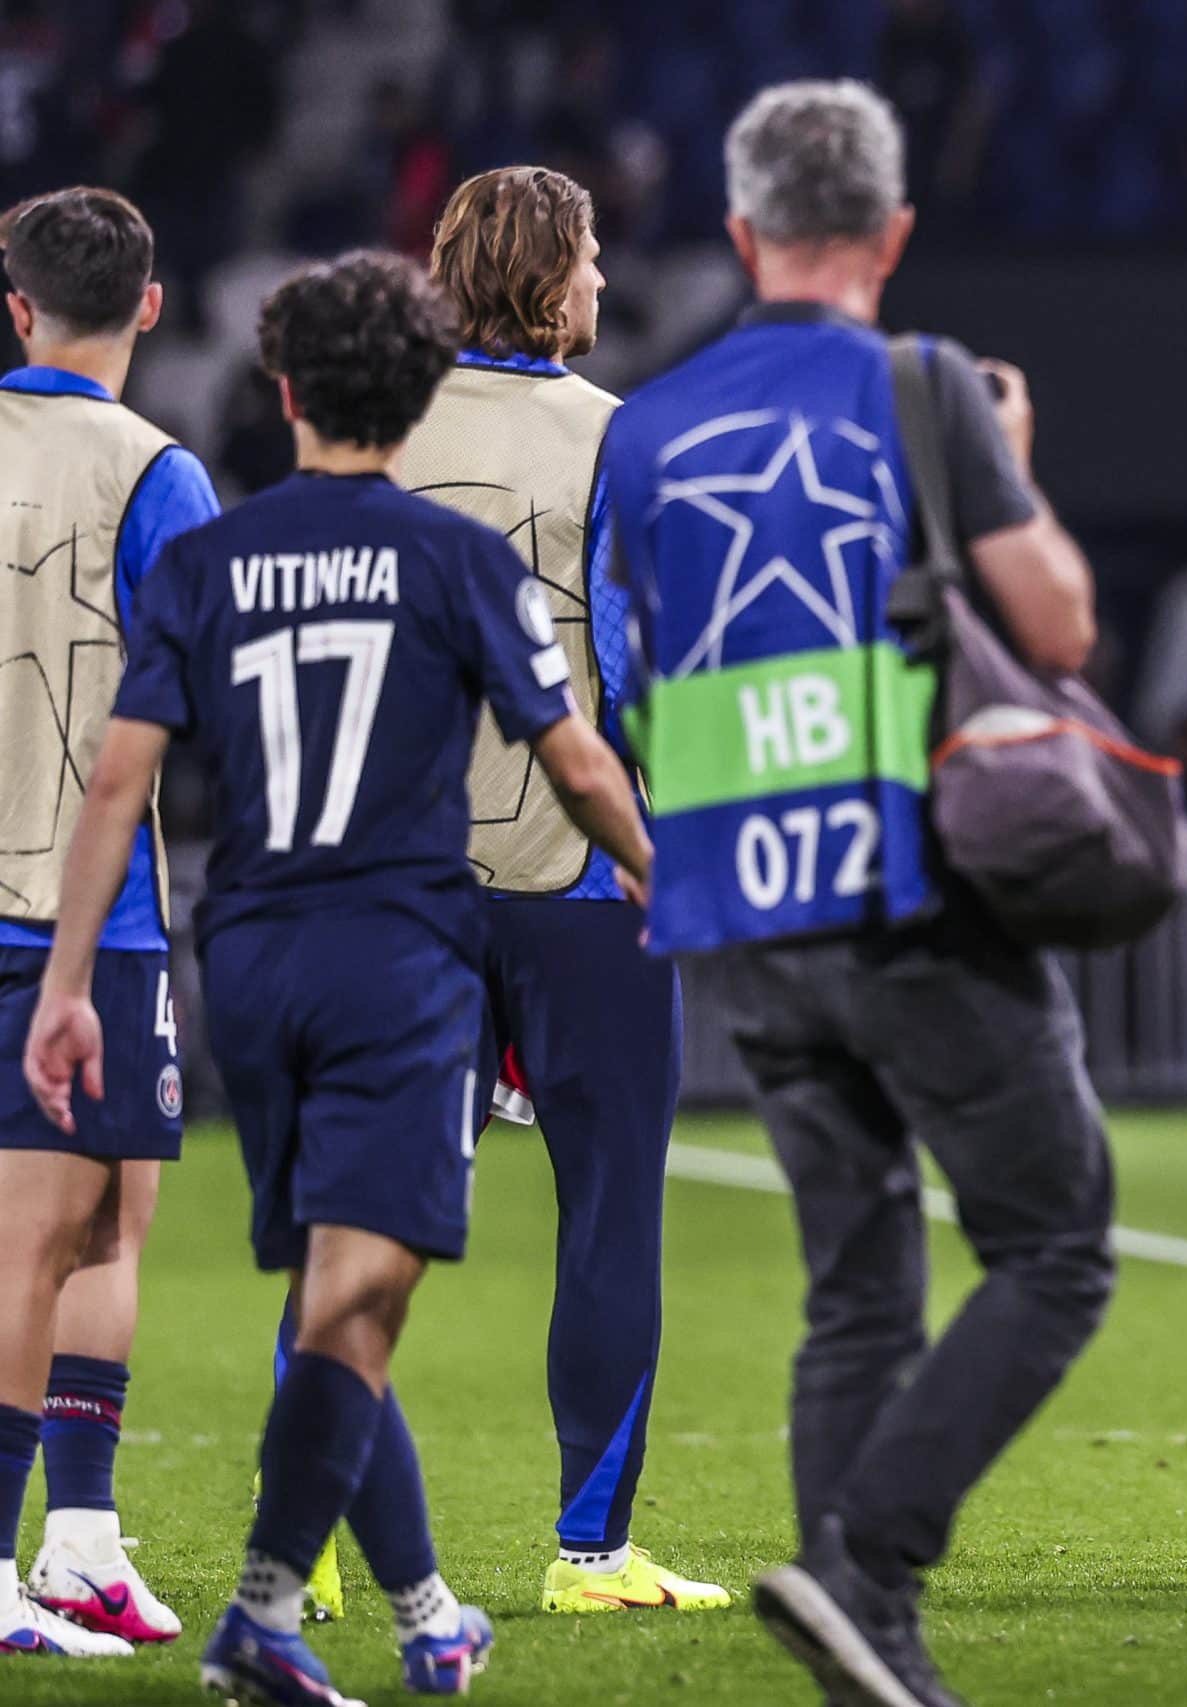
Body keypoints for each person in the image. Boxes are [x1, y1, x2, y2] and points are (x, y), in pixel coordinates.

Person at [23, 250, 653, 1706]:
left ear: (286, 390)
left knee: (330, 1286)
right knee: (360, 1298)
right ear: (418, 385)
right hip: (396, 961)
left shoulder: (207, 557)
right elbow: (568, 751)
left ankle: (412, 1606)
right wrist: (651, 862)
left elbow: (121, 781)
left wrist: (69, 976)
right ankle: (270, 1608)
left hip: (248, 956)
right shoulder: (458, 560)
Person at [600, 80, 1111, 1707]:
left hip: (738, 910)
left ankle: (862, 1659)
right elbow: (1063, 626)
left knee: (855, 1285)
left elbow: (622, 673)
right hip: (902, 887)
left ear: (744, 233)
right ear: (891, 233)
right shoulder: (923, 384)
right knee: (1057, 1239)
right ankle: (864, 1560)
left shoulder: (643, 426)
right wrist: (1000, 468)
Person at [395, 162, 724, 1616]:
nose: (601, 281)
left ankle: (326, 1528)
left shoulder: (372, 432)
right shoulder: (617, 438)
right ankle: (590, 1553)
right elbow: (647, 678)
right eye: (588, 256)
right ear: (546, 276)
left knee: (363, 1213)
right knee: (608, 1212)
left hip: (398, 886)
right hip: (580, 878)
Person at [0, 186, 213, 1660]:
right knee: (86, 1223)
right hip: (86, 904)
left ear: (16, 307)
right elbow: (190, 700)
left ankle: (78, 1542)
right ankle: (45, 1544)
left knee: (66, 1225)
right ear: (149, 303)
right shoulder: (160, 474)